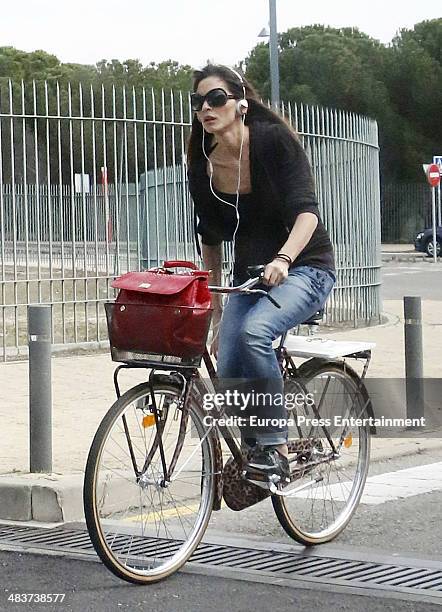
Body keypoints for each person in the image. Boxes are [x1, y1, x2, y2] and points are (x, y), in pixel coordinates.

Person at [187, 64, 335, 482]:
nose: (206, 108)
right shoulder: (204, 164)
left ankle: (276, 448)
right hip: (250, 275)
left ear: (240, 103)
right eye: (199, 102)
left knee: (256, 333)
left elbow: (306, 212)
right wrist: (215, 306)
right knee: (229, 360)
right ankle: (258, 450)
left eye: (216, 98)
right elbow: (211, 236)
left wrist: (284, 259)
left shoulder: (273, 141)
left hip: (305, 267)